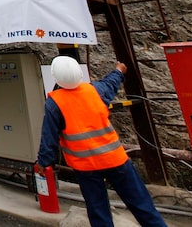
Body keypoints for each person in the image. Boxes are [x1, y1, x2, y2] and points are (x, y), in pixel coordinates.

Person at [36, 56, 167, 227]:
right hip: (116, 160)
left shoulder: (54, 103)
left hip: (86, 167)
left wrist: (43, 162)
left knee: (99, 214)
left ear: (55, 78)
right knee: (142, 206)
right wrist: (119, 70)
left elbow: (49, 138)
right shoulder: (95, 91)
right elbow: (111, 82)